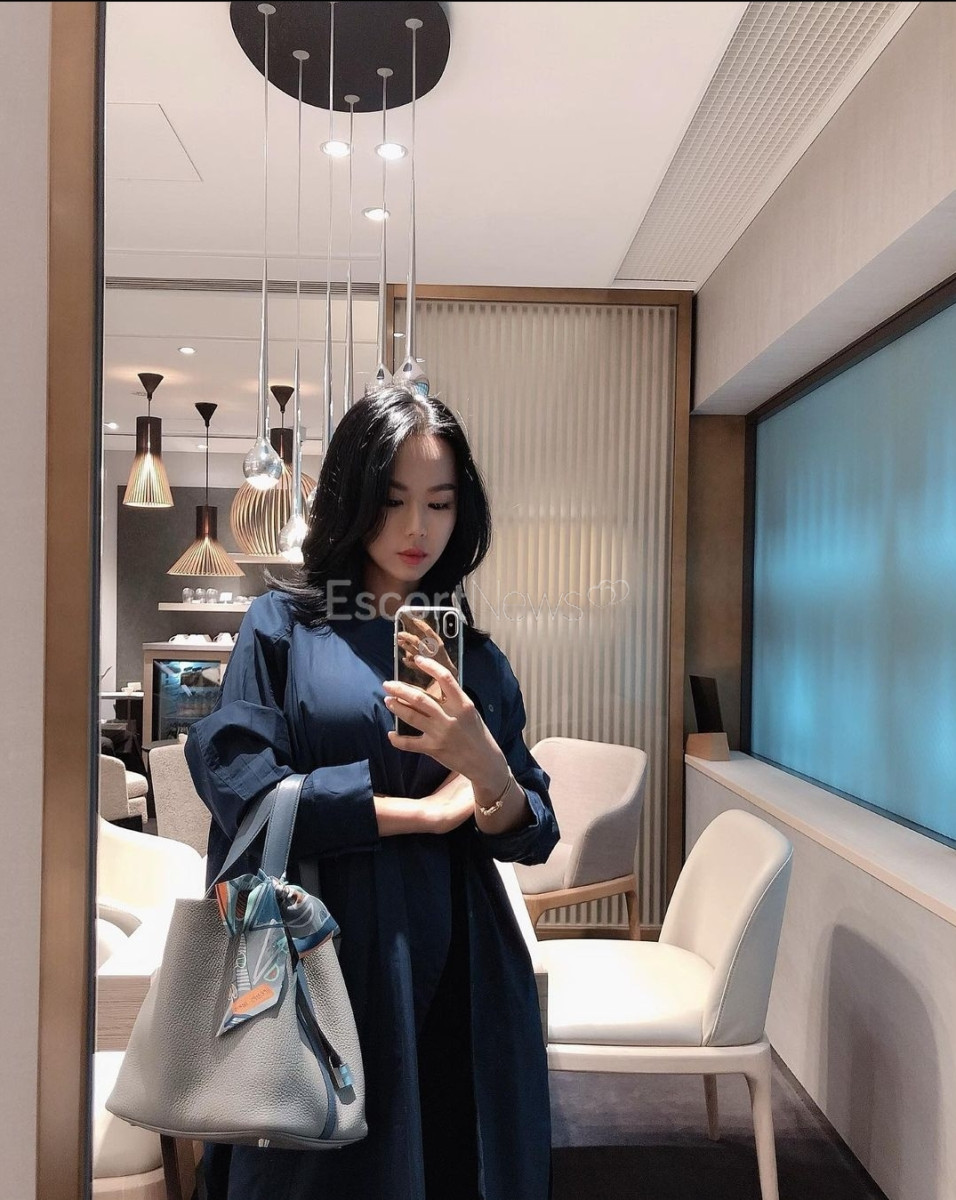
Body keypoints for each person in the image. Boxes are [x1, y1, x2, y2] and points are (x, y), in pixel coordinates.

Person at [185, 384, 559, 1200]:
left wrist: (487, 769)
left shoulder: (475, 658)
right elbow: (244, 790)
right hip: (319, 940)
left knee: (453, 1151)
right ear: (352, 498)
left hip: (459, 950)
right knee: (314, 1166)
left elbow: (533, 828)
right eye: (393, 500)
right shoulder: (283, 627)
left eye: (440, 502)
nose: (417, 527)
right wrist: (419, 811)